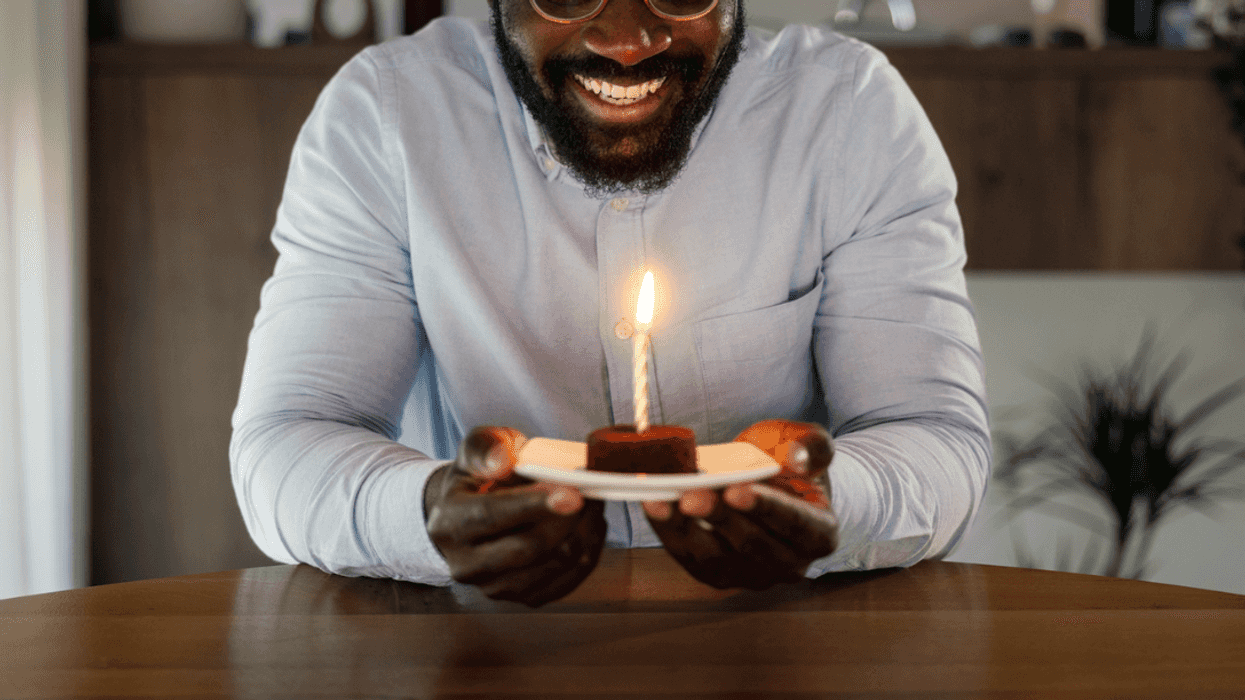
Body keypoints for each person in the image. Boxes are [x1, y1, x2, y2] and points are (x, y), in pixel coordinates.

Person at [230, 0, 990, 607]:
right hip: (482, 651)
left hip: (778, 643)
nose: (628, 40)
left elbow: (934, 436)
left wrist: (834, 503)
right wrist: (424, 514)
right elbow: (289, 440)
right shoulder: (388, 115)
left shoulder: (846, 112)